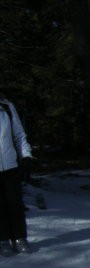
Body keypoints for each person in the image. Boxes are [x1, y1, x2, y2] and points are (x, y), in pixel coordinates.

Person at [0, 93, 34, 256]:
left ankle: (20, 238)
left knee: (15, 203)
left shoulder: (6, 106)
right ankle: (3, 240)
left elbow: (19, 135)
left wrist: (26, 155)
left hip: (10, 165)